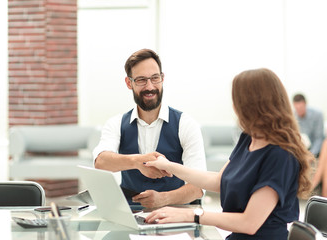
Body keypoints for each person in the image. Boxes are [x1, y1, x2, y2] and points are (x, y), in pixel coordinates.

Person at [144, 68, 313, 240]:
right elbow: (218, 181)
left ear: (252, 106)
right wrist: (169, 165)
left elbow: (249, 223)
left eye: (237, 101)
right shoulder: (249, 138)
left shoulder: (280, 156)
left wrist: (192, 215)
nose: (233, 106)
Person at [92, 48, 206, 208]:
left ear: (162, 78)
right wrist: (138, 161)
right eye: (141, 80)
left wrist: (164, 199)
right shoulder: (116, 124)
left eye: (155, 78)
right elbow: (101, 162)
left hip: (176, 213)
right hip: (130, 214)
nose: (150, 86)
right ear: (129, 83)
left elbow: (199, 187)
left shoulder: (186, 124)